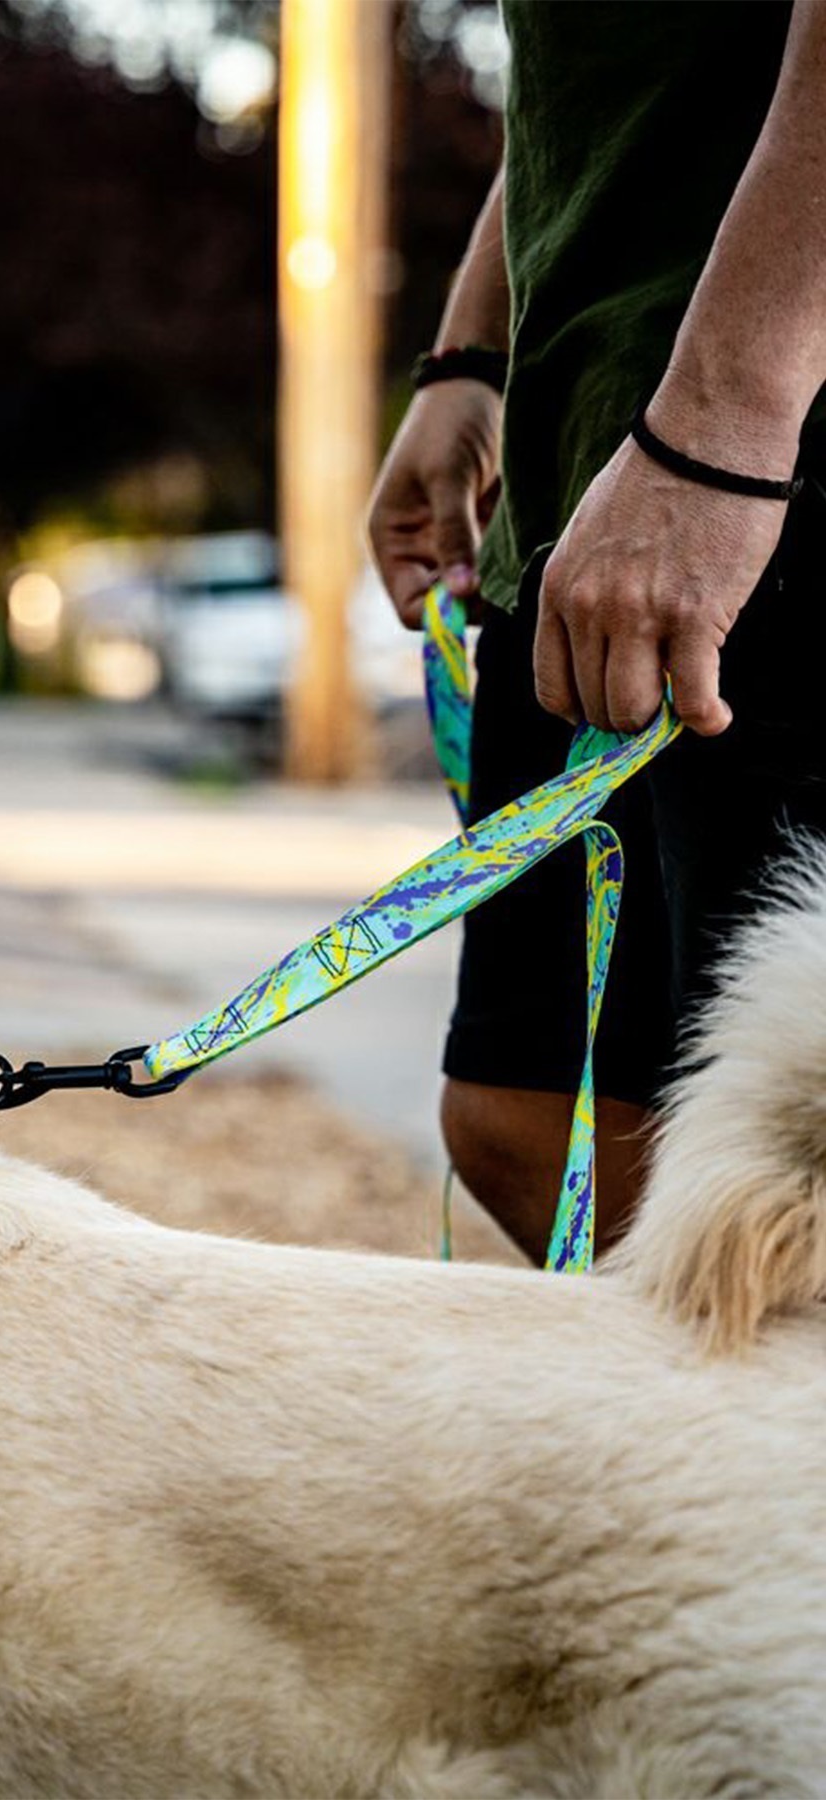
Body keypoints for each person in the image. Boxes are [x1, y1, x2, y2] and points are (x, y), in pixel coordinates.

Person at [367, 0, 826, 1263]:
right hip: (592, 468)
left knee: (771, 1198)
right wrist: (474, 354)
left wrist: (726, 430)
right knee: (530, 1120)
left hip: (765, 467)